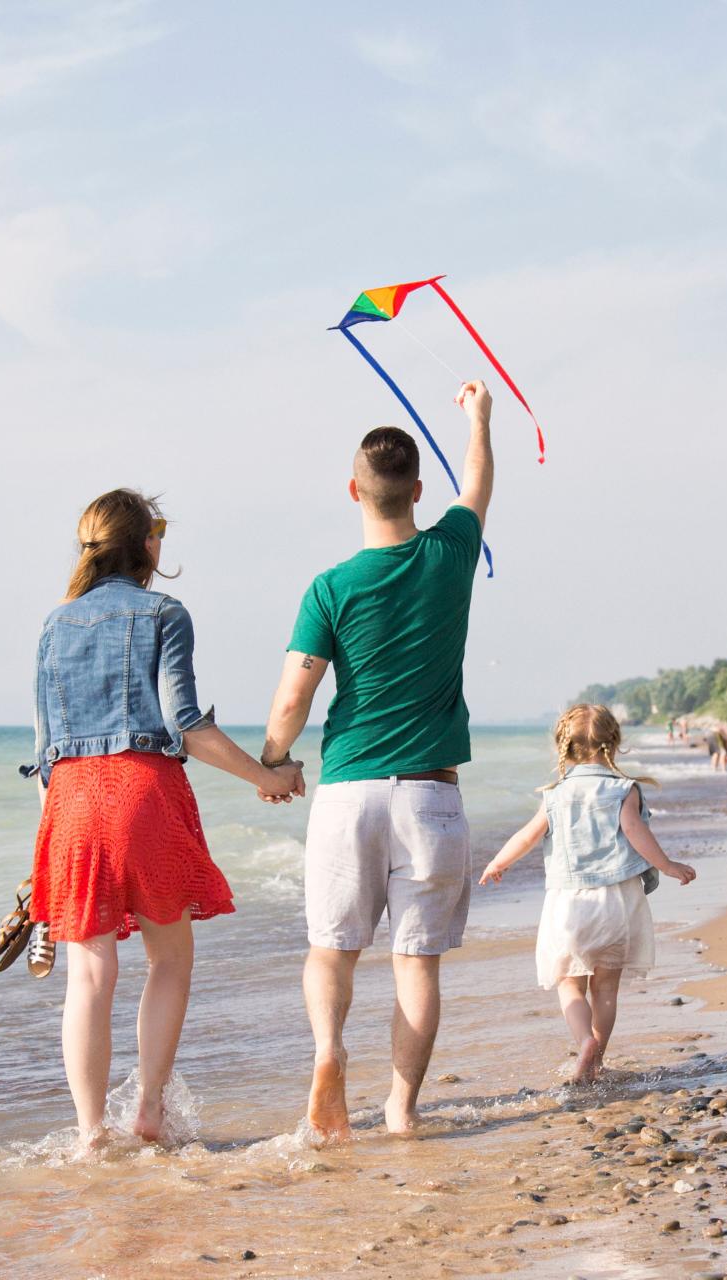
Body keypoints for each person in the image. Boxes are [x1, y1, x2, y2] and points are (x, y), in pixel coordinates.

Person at [31, 489, 302, 1148]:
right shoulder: (163, 614)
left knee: (89, 976)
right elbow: (188, 725)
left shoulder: (54, 624)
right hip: (143, 795)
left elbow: (45, 755)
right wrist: (268, 777)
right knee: (170, 958)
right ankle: (148, 1109)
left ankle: (92, 1132)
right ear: (145, 544)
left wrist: (46, 850)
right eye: (158, 535)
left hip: (70, 802)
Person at [261, 379, 495, 1142]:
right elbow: (480, 483)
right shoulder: (453, 552)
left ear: (353, 489)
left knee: (331, 951)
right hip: (430, 794)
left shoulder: (330, 587)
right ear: (419, 491)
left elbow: (295, 698)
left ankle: (330, 1053)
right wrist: (479, 418)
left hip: (350, 790)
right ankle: (400, 1110)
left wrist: (274, 761)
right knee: (416, 964)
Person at [478, 705, 696, 1085]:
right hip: (618, 902)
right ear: (613, 743)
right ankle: (598, 1060)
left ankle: (584, 1044)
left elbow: (527, 836)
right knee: (606, 988)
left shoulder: (555, 794)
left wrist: (497, 863)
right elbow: (635, 832)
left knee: (569, 984)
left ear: (564, 747)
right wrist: (667, 864)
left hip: (570, 904)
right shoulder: (624, 790)